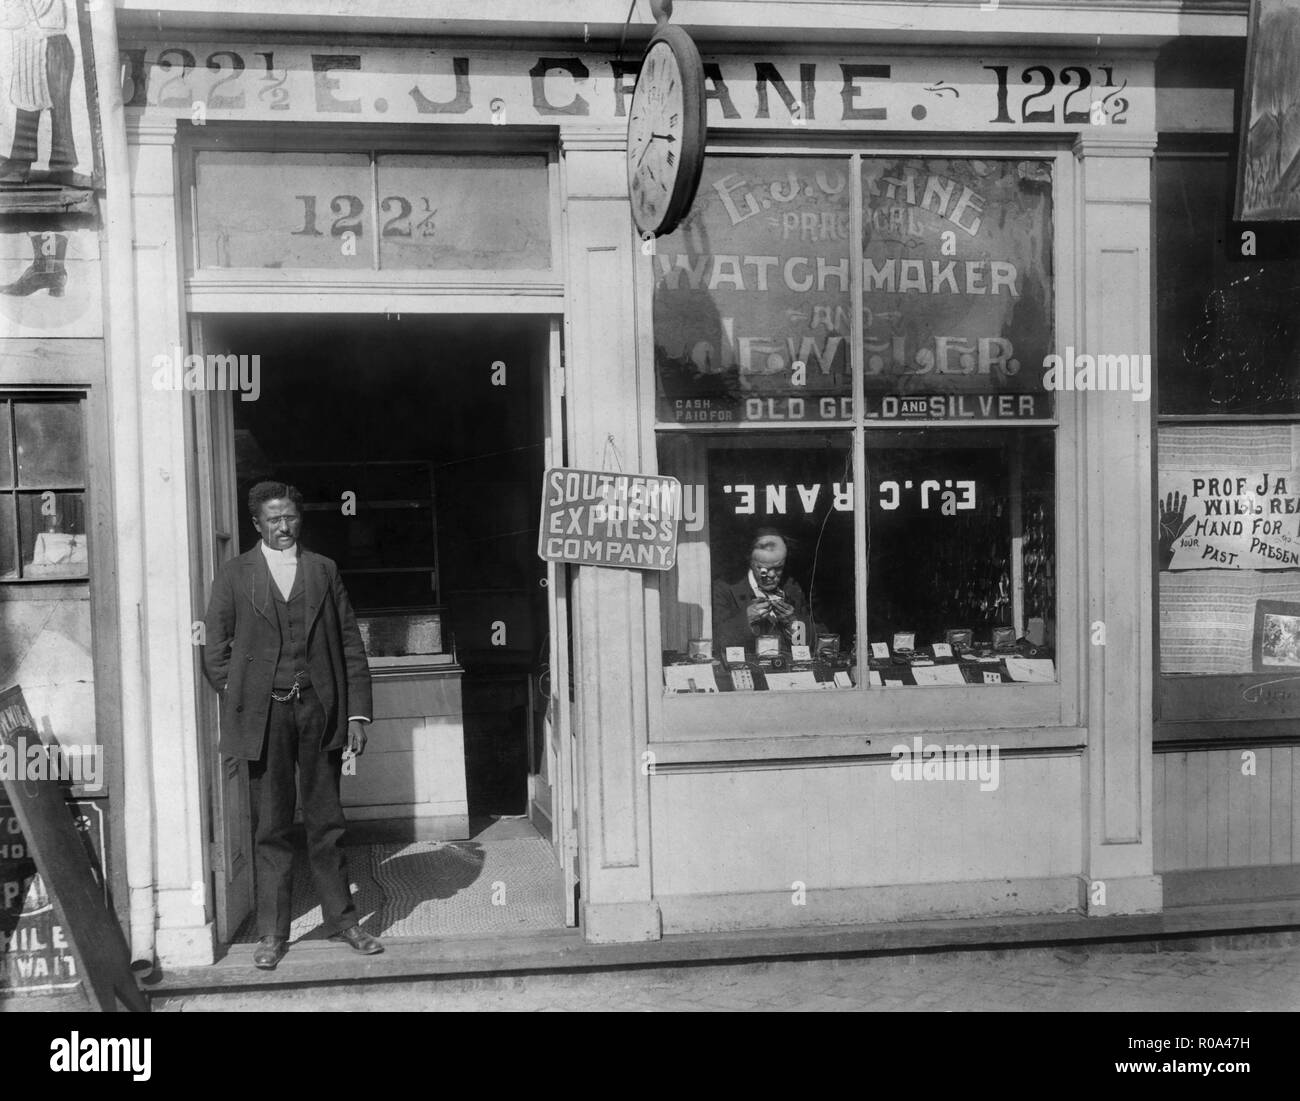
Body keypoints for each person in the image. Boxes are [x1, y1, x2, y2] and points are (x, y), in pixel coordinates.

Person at [202, 481, 382, 970]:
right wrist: (242, 697)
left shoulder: (324, 570)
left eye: (291, 518)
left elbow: (349, 645)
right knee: (272, 827)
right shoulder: (235, 574)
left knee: (326, 824)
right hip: (266, 719)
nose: (284, 527)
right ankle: (271, 933)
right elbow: (214, 649)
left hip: (318, 713)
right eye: (274, 520)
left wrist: (356, 714)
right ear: (256, 524)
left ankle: (343, 921)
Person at [711, 528, 818, 653]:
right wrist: (747, 620)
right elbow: (717, 643)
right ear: (750, 561)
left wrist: (794, 623)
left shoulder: (792, 587)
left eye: (778, 568)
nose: (772, 574)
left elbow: (815, 642)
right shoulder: (724, 588)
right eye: (763, 568)